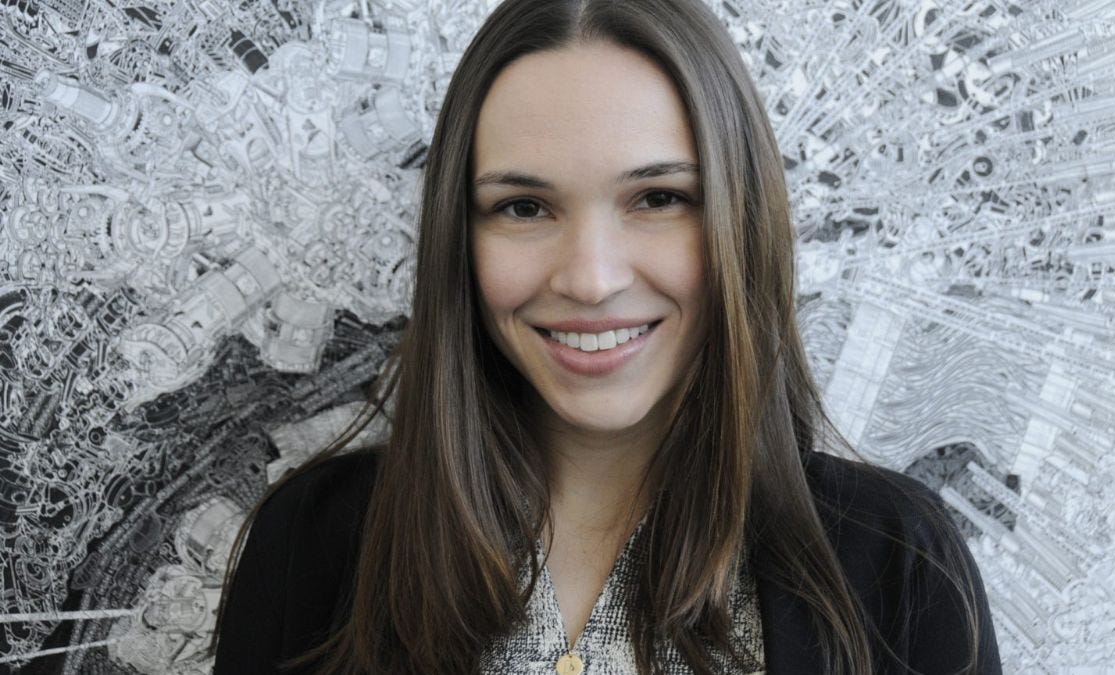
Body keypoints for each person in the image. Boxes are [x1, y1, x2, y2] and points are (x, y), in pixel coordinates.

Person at [211, 0, 1003, 673]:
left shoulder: (899, 564)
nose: (590, 279)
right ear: (460, 240)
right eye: (524, 207)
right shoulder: (308, 547)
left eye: (658, 198)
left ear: (740, 219)